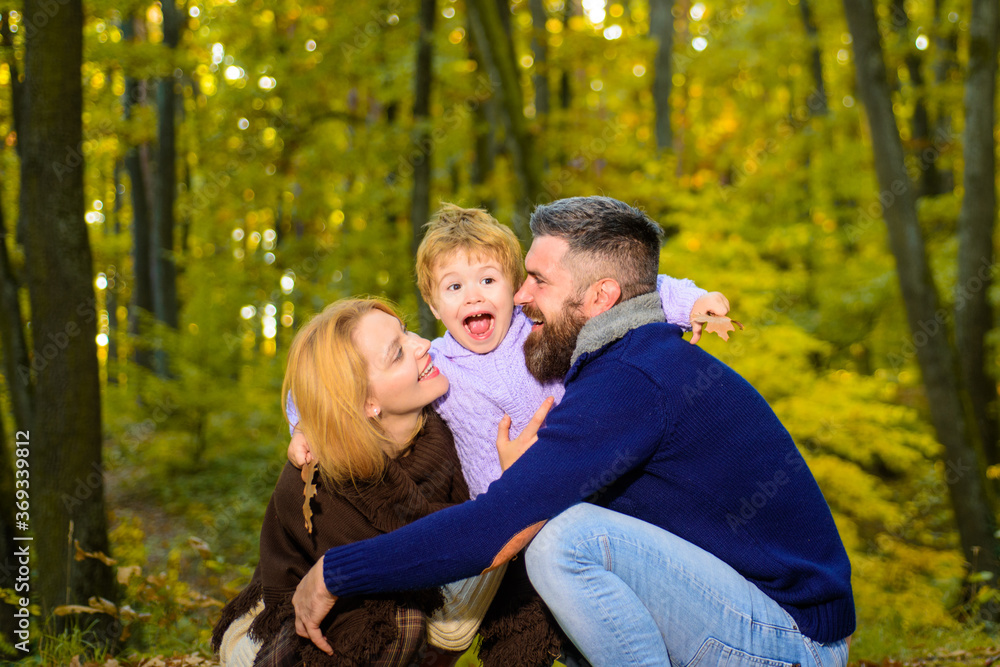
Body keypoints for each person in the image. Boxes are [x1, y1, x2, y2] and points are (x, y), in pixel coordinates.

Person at [291, 197, 856, 667]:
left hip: (791, 640)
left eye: (535, 280)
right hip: (748, 609)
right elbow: (335, 372)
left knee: (565, 540)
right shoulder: (625, 360)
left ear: (600, 298)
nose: (518, 296)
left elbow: (494, 531)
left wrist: (335, 571)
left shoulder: (629, 383)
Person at [287, 203, 729, 500]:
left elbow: (627, 289)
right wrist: (302, 426)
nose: (473, 296)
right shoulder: (435, 366)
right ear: (433, 303)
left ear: (515, 286)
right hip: (503, 500)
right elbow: (329, 377)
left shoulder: (539, 327)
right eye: (454, 287)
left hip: (585, 471)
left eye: (488, 280)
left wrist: (692, 302)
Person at [212, 299, 561, 666]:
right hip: (287, 622)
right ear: (366, 403)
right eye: (397, 354)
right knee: (397, 623)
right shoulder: (323, 485)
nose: (423, 343)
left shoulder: (443, 416)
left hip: (412, 595)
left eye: (407, 330)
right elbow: (408, 566)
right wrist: (511, 487)